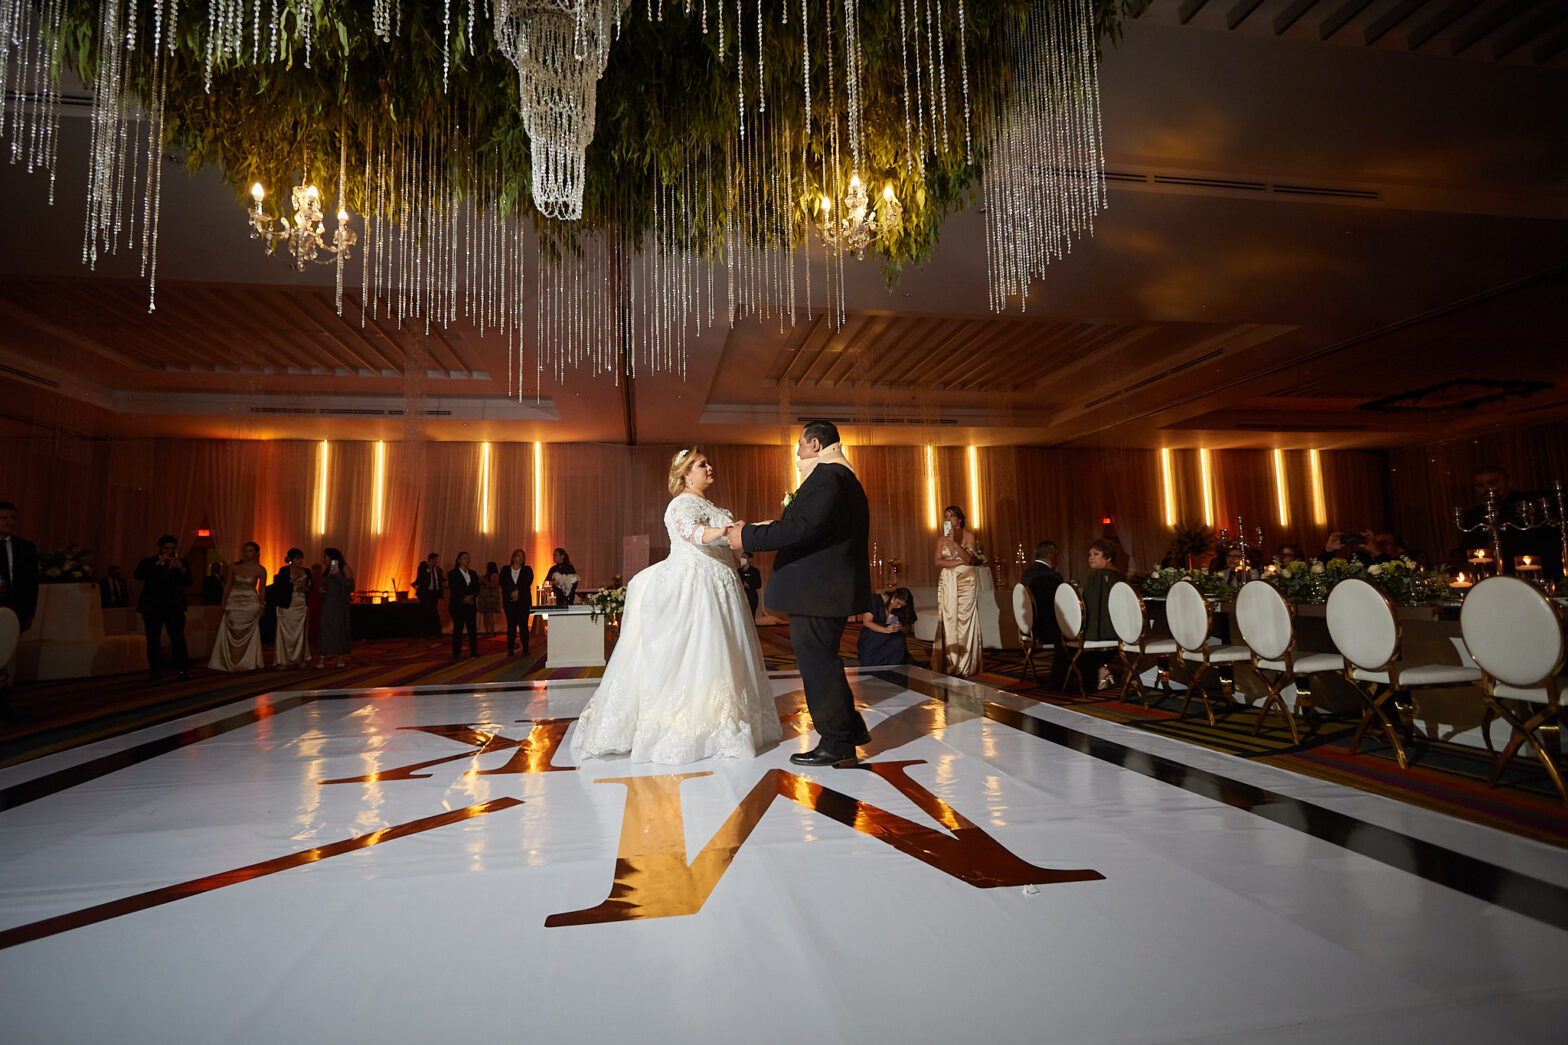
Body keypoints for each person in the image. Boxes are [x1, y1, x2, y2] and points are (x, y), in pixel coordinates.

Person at [572, 447, 781, 764]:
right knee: (698, 651)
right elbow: (692, 532)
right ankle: (688, 724)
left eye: (708, 462)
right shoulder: (680, 504)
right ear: (686, 474)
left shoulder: (711, 506)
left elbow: (734, 538)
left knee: (724, 653)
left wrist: (764, 527)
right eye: (702, 464)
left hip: (721, 585)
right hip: (697, 587)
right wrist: (723, 531)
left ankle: (724, 718)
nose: (709, 467)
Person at [732, 421, 872, 767]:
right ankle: (849, 730)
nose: (796, 453)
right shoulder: (842, 477)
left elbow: (801, 528)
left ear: (814, 444)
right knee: (823, 658)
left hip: (819, 591)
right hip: (825, 589)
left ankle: (837, 742)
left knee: (818, 663)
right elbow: (812, 527)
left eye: (799, 445)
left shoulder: (828, 476)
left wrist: (747, 537)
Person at [933, 504, 983, 677]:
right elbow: (938, 562)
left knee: (965, 619)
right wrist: (958, 562)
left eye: (952, 516)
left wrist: (954, 543)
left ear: (959, 519)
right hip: (948, 580)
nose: (948, 519)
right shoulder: (941, 539)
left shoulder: (969, 536)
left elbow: (969, 559)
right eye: (946, 516)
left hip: (967, 581)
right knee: (949, 618)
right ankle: (950, 661)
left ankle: (966, 664)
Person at [134, 534, 193, 682]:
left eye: (172, 548)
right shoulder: (148, 562)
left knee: (178, 639)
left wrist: (182, 569)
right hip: (153, 607)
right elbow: (138, 575)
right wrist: (157, 563)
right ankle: (155, 671)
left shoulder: (181, 563)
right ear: (160, 548)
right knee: (153, 640)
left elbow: (188, 582)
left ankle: (182, 670)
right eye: (167, 548)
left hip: (174, 607)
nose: (170, 551)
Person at [0, 500, 39, 716]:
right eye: (4, 518)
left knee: (9, 658)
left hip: (15, 612)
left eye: (13, 518)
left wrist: (29, 612)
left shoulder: (26, 547)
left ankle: (4, 700)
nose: (9, 522)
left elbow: (32, 583)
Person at [208, 541, 266, 672]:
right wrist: (223, 602)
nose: (246, 553)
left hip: (251, 603)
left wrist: (262, 606)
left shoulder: (260, 570)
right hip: (233, 602)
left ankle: (247, 662)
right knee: (232, 630)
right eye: (244, 550)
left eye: (250, 551)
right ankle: (228, 661)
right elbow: (227, 586)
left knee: (248, 632)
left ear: (256, 553)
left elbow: (262, 590)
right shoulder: (234, 567)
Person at [1021, 540, 1066, 690]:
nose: (1057, 559)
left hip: (1029, 627)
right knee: (1073, 631)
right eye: (1056, 555)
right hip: (1046, 629)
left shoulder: (1026, 573)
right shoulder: (1052, 576)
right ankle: (1063, 678)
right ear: (1050, 555)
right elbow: (1059, 606)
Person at [1082, 539, 1125, 692]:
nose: (1091, 558)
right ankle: (1101, 669)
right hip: (1119, 628)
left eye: (1096, 554)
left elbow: (1093, 607)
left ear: (1108, 558)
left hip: (1103, 630)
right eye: (1089, 554)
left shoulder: (1099, 575)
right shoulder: (1119, 575)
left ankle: (1100, 670)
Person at [858, 586, 916, 668]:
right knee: (888, 639)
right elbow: (866, 622)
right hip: (872, 632)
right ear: (894, 597)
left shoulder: (897, 608)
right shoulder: (875, 600)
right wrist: (885, 630)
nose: (899, 607)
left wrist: (897, 625)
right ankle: (873, 662)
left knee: (899, 639)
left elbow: (891, 622)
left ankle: (892, 665)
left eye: (902, 605)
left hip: (887, 632)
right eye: (898, 603)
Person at [273, 548, 312, 669]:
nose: (299, 561)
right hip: (287, 605)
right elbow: (280, 586)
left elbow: (310, 585)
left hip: (301, 604)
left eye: (300, 558)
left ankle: (300, 658)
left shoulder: (306, 571)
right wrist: (292, 581)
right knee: (285, 632)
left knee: (300, 632)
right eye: (296, 558)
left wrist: (306, 588)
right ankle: (282, 660)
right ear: (290, 559)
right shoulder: (284, 570)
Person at [315, 547, 353, 669]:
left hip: (340, 603)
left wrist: (336, 575)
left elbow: (350, 585)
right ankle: (322, 657)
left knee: (339, 628)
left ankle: (341, 656)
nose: (323, 559)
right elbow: (322, 584)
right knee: (324, 628)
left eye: (325, 557)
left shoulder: (344, 568)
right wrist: (320, 589)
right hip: (327, 603)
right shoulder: (327, 570)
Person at [499, 548, 534, 656]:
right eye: (518, 555)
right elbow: (502, 583)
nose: (521, 558)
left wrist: (517, 592)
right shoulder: (505, 570)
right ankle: (510, 649)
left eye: (522, 556)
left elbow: (527, 582)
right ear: (513, 558)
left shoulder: (527, 570)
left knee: (523, 625)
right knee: (511, 625)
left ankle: (525, 648)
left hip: (523, 601)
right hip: (509, 602)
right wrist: (511, 593)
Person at [447, 550, 481, 658]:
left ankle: (474, 651)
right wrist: (463, 598)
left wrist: (471, 596)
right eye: (465, 558)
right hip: (458, 605)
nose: (467, 560)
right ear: (459, 560)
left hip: (470, 604)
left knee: (472, 629)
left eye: (468, 558)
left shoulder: (473, 573)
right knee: (458, 628)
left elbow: (477, 588)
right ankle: (456, 653)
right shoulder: (452, 574)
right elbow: (454, 589)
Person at [412, 552, 444, 635]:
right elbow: (421, 577)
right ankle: (426, 631)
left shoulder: (438, 570)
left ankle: (434, 631)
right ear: (430, 559)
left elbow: (442, 580)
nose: (436, 561)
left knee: (434, 611)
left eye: (437, 560)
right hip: (426, 594)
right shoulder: (424, 568)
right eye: (435, 560)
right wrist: (429, 568)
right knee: (427, 611)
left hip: (435, 594)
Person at [478, 560, 503, 636]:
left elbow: (494, 585)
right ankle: (486, 631)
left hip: (490, 597)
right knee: (485, 615)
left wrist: (484, 581)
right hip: (486, 597)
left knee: (490, 615)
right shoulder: (488, 575)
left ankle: (491, 632)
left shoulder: (494, 575)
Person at [738, 554, 762, 619]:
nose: (742, 559)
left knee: (751, 616)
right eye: (741, 557)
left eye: (744, 557)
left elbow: (759, 584)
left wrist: (748, 585)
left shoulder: (754, 571)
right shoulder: (738, 571)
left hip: (751, 597)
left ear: (749, 559)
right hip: (741, 597)